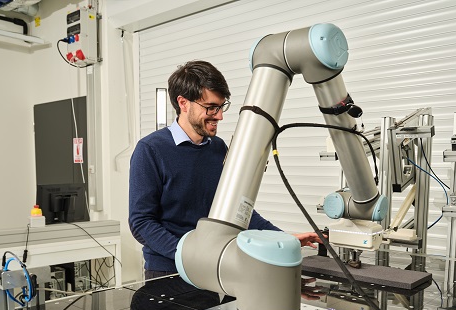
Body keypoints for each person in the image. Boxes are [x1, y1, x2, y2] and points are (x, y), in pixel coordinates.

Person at [129, 60, 320, 280]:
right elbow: (141, 222)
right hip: (168, 270)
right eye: (211, 107)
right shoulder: (151, 150)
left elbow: (238, 210)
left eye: (221, 107)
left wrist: (283, 239)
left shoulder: (218, 148)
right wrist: (187, 255)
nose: (219, 116)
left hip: (213, 265)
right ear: (183, 103)